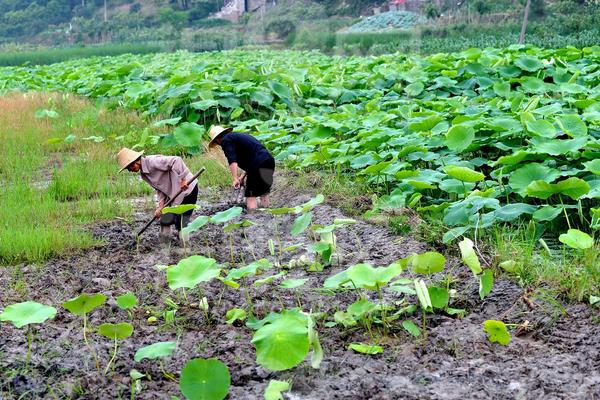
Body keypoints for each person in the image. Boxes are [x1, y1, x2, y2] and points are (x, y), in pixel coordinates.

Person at [117, 148, 198, 242]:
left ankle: (185, 249)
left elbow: (176, 160)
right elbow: (159, 188)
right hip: (173, 193)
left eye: (129, 168)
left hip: (187, 189)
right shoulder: (144, 174)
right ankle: (164, 245)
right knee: (165, 219)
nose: (130, 171)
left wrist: (184, 179)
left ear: (135, 162)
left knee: (181, 222)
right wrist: (161, 206)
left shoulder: (153, 161)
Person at [208, 126, 275, 210]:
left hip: (257, 164)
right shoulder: (237, 137)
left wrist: (235, 178)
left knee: (251, 195)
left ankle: (252, 216)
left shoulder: (226, 140)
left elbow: (232, 160)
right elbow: (252, 158)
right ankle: (266, 214)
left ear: (217, 140)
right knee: (264, 191)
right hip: (269, 161)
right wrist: (242, 177)